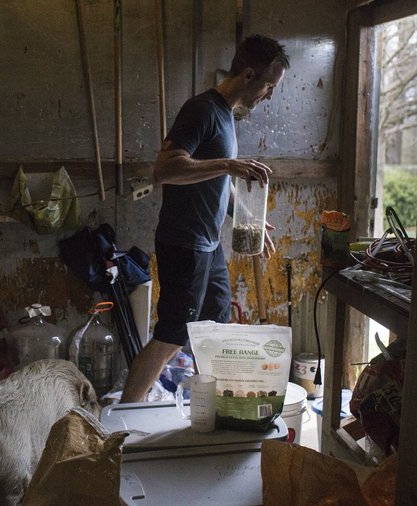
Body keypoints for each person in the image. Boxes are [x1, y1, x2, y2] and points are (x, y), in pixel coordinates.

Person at [120, 34, 290, 403]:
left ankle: (211, 408)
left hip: (209, 245)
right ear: (248, 74)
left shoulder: (227, 117)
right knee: (173, 335)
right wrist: (229, 164)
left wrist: (247, 217)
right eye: (268, 86)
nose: (269, 95)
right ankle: (125, 415)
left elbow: (217, 181)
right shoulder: (202, 110)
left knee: (214, 330)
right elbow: (165, 170)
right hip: (184, 242)